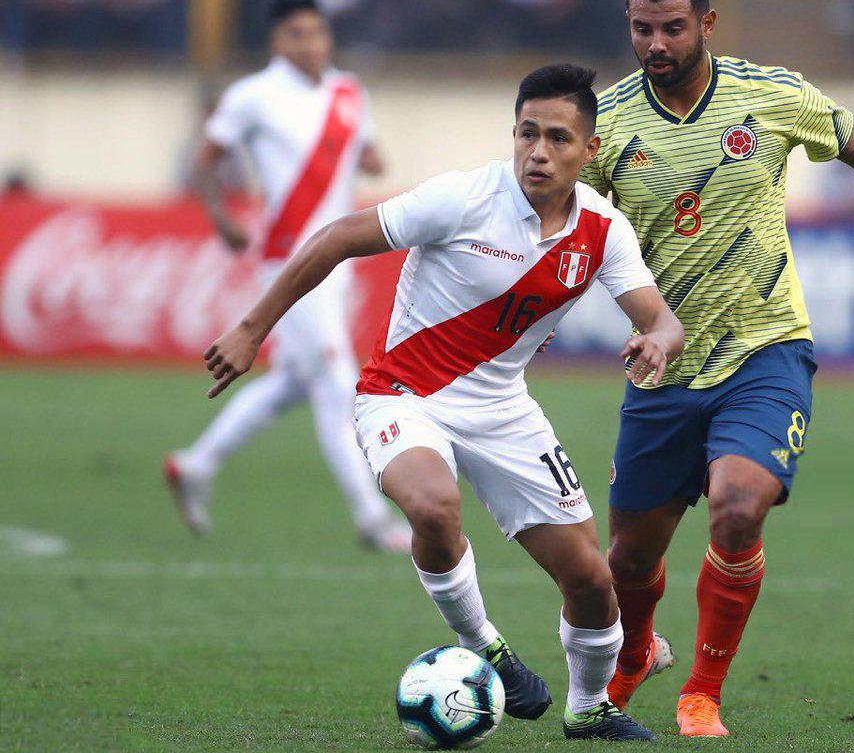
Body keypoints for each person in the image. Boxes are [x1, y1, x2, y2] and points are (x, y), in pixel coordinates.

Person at [201, 64, 684, 741]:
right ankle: (489, 647)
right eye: (527, 133)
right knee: (432, 505)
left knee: (593, 582)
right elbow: (339, 238)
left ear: (589, 151)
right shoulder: (462, 198)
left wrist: (659, 339)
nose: (539, 152)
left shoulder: (603, 230)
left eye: (558, 139)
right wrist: (253, 328)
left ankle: (588, 706)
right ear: (512, 134)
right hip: (402, 395)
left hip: (503, 410)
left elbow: (661, 318)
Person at [580, 0, 854, 737]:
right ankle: (635, 652)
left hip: (765, 353)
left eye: (673, 27)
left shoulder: (770, 95)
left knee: (740, 509)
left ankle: (701, 691)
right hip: (665, 367)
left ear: (706, 23)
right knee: (629, 563)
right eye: (642, 28)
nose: (656, 43)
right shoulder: (607, 124)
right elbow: (564, 223)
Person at [163, 0, 412, 552]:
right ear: (279, 40)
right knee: (337, 381)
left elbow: (371, 156)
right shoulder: (254, 95)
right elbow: (204, 159)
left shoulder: (348, 90)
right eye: (297, 34)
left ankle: (197, 462)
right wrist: (222, 216)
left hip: (338, 257)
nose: (310, 43)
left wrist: (366, 158)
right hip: (289, 259)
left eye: (318, 32)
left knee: (294, 383)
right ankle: (372, 518)